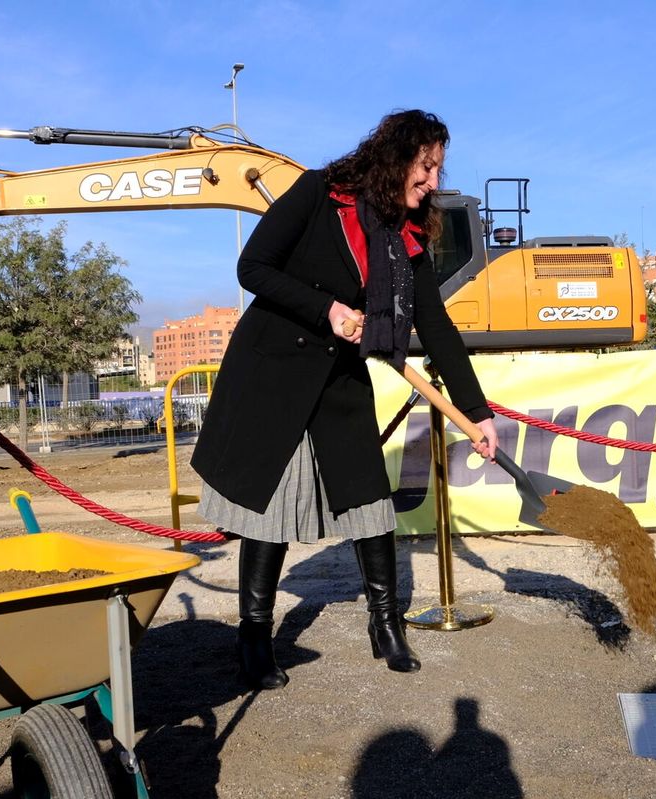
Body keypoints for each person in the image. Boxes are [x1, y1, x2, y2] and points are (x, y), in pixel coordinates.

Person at [193, 109, 498, 689]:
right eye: (426, 166)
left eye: (438, 169)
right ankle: (254, 637)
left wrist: (477, 413)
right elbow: (252, 267)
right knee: (271, 508)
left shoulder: (407, 236)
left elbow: (436, 327)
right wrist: (325, 309)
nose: (433, 181)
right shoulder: (317, 193)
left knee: (367, 500)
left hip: (340, 381)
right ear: (395, 157)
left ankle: (386, 626)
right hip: (274, 374)